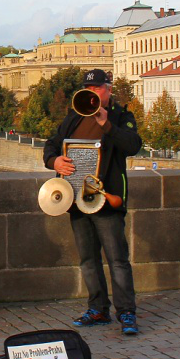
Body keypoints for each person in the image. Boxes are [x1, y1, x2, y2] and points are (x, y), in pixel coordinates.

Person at [43, 69, 143, 335]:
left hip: (105, 198)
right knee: (88, 259)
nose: (92, 91)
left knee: (117, 259)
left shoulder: (122, 116)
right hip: (75, 198)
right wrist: (55, 161)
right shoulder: (73, 117)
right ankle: (98, 308)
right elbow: (50, 146)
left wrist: (105, 123)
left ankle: (126, 312)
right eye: (88, 87)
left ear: (108, 89)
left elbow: (133, 145)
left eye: (97, 87)